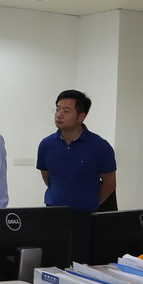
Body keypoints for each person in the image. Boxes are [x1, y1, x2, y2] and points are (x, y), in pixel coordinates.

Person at [37, 89, 117, 262]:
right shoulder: (46, 144)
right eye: (57, 109)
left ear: (81, 116)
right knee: (53, 261)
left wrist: (91, 201)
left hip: (85, 216)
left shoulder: (100, 146)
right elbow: (47, 176)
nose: (59, 115)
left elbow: (110, 183)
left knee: (82, 263)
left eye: (66, 111)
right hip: (54, 213)